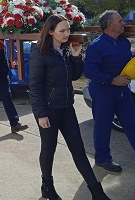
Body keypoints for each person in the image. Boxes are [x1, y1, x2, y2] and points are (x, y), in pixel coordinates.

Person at [30, 15, 110, 200]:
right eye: (62, 31)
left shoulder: (65, 51)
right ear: (50, 32)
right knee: (49, 150)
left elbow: (74, 76)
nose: (67, 34)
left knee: (78, 150)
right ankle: (47, 187)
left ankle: (96, 192)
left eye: (68, 30)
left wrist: (75, 56)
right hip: (48, 111)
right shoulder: (39, 52)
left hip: (67, 108)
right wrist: (41, 114)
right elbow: (34, 86)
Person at [84, 10, 135, 173]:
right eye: (120, 21)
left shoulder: (124, 43)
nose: (124, 23)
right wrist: (112, 80)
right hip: (103, 91)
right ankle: (102, 159)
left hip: (122, 91)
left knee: (132, 122)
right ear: (109, 25)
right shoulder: (96, 46)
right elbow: (89, 71)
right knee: (103, 126)